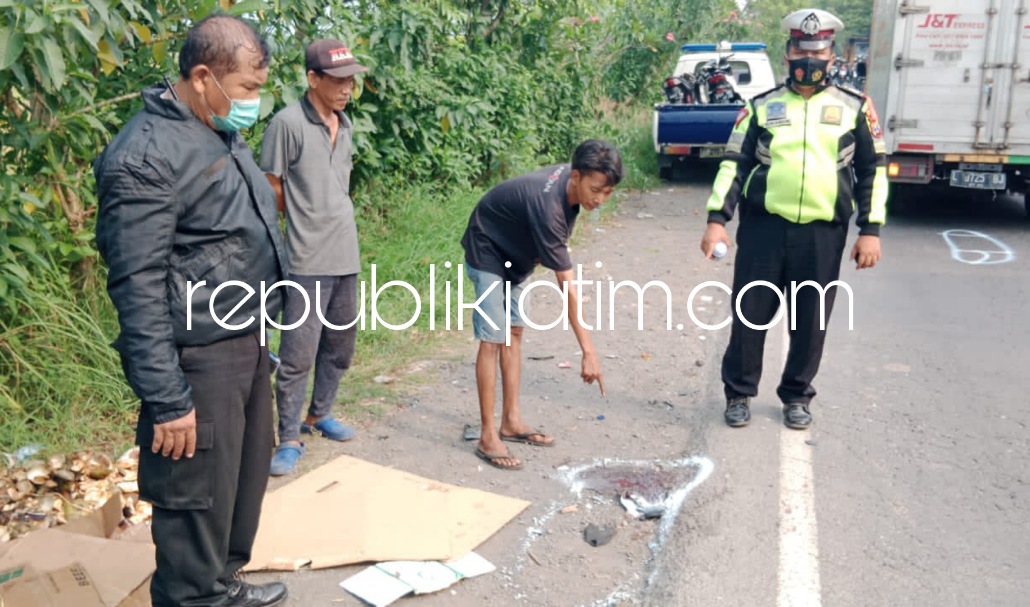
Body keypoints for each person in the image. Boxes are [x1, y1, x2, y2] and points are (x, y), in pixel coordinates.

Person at [94, 15, 289, 607]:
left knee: (238, 484)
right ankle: (193, 596)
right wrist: (168, 398)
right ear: (203, 77)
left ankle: (221, 585)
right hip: (197, 359)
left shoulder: (215, 129)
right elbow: (137, 285)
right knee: (194, 497)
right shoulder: (144, 156)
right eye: (248, 87)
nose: (254, 101)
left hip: (244, 340)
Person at [700, 8, 887, 430]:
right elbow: (734, 164)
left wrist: (871, 230)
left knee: (810, 322)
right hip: (764, 230)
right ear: (787, 54)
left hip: (823, 233)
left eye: (818, 52)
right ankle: (738, 393)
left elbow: (873, 170)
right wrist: (716, 220)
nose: (809, 60)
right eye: (802, 51)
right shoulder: (761, 107)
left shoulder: (854, 108)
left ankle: (797, 395)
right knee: (750, 315)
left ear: (832, 56)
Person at [460, 139, 623, 470]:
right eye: (595, 190)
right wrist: (588, 351)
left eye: (607, 193)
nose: (600, 200)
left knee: (514, 331)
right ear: (575, 176)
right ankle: (488, 435)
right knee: (493, 338)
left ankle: (511, 421)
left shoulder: (572, 188)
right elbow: (568, 287)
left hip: (516, 252)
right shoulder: (549, 207)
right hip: (488, 245)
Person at [260, 39, 367, 476]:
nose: (346, 89)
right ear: (312, 78)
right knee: (298, 353)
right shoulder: (286, 124)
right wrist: (301, 221)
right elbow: (271, 186)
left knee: (340, 345)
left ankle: (319, 414)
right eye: (338, 81)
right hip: (306, 259)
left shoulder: (346, 125)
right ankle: (288, 436)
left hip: (346, 254)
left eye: (350, 81)